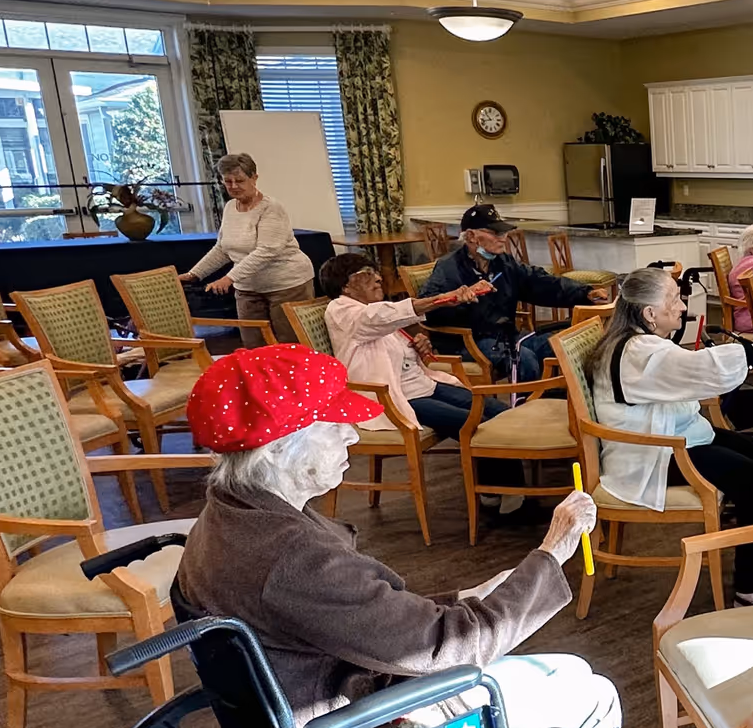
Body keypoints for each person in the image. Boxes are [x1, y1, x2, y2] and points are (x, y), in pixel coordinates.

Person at [174, 344, 635, 728]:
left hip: (307, 712)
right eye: (334, 424)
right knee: (589, 694)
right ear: (282, 446)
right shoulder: (293, 554)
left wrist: (468, 593)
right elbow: (444, 648)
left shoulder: (231, 518)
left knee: (558, 680)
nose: (352, 437)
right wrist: (551, 554)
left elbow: (356, 615)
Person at [589, 267, 753, 606]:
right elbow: (700, 367)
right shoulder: (638, 352)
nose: (682, 307)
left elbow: (690, 370)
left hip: (676, 437)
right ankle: (749, 592)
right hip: (652, 454)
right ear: (650, 313)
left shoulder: (641, 344)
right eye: (674, 300)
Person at [318, 252, 528, 514]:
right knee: (476, 422)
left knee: (496, 411)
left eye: (375, 272)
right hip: (394, 398)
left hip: (421, 385)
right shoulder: (341, 310)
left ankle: (494, 491)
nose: (378, 278)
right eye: (366, 274)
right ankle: (510, 500)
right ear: (345, 286)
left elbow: (389, 338)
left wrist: (417, 347)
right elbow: (380, 319)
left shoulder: (371, 311)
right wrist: (445, 299)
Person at [421, 203, 593, 381]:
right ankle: (525, 405)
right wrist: (456, 298)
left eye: (503, 233)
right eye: (496, 233)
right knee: (524, 359)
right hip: (468, 343)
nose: (503, 238)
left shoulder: (503, 262)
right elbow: (427, 308)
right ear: (471, 236)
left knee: (558, 345)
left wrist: (584, 293)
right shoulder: (448, 268)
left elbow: (538, 282)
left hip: (505, 336)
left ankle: (550, 401)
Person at [179, 152, 316, 343]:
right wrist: (194, 274)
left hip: (287, 284)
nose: (234, 186)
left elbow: (267, 251)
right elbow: (222, 248)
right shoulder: (229, 208)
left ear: (254, 178)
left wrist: (229, 278)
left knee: (289, 345)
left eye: (240, 180)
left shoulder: (271, 208)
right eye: (228, 181)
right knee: (254, 346)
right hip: (248, 287)